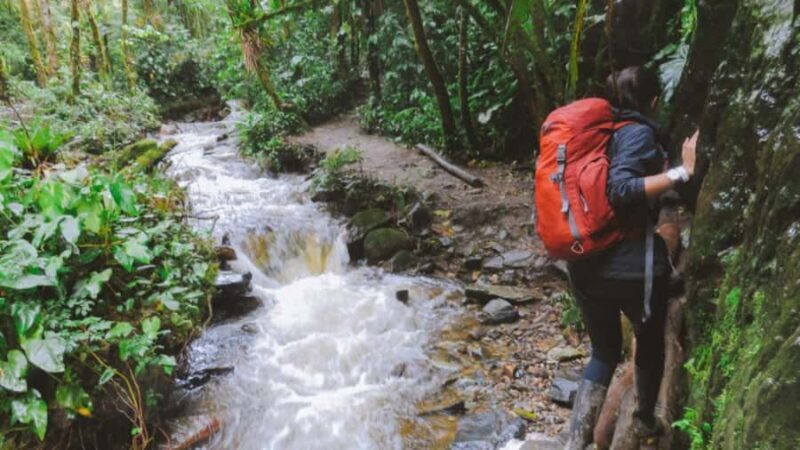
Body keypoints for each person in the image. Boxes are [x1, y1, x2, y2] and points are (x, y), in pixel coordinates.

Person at [564, 66, 698, 449]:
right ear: (654, 101)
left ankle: (575, 441)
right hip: (625, 265)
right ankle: (642, 421)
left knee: (604, 350)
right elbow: (622, 189)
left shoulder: (595, 136)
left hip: (583, 262)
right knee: (650, 338)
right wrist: (682, 172)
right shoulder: (637, 133)